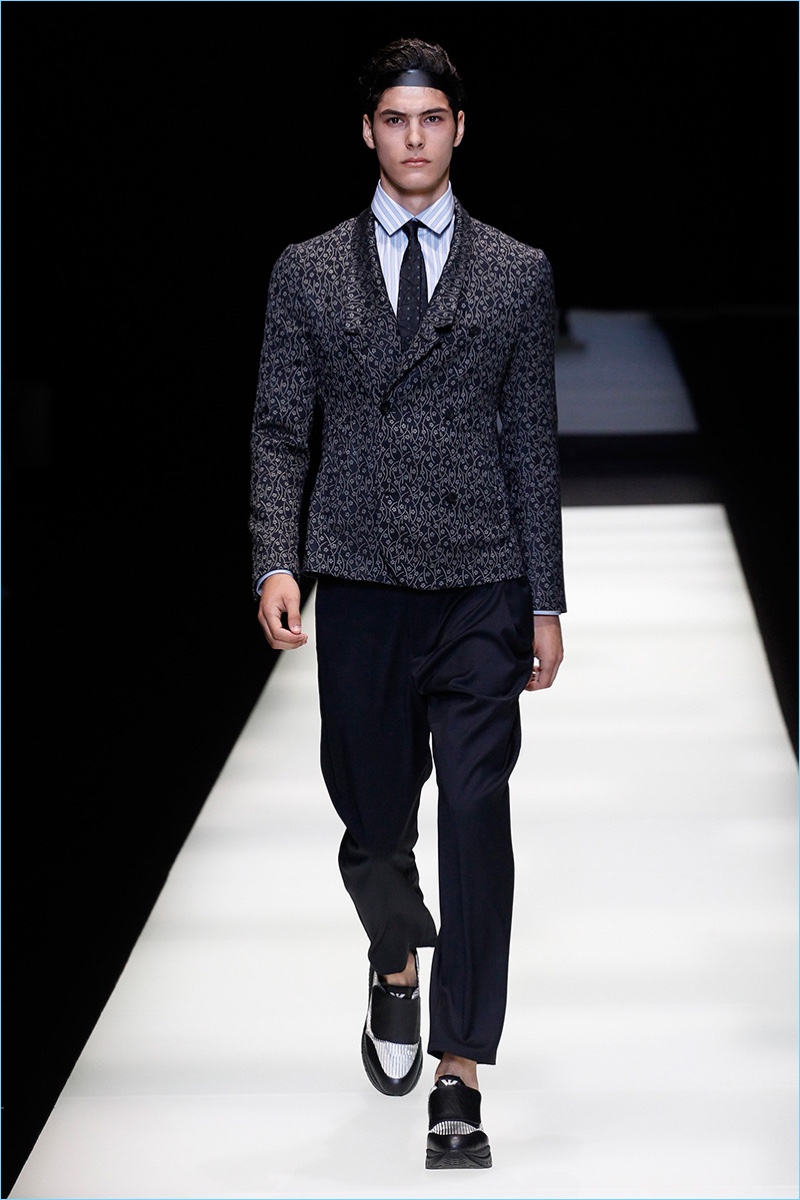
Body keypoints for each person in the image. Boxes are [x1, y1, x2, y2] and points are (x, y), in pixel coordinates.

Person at [249, 36, 566, 1170]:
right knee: (373, 818)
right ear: (368, 132)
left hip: (481, 579)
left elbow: (530, 439)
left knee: (476, 813)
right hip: (363, 582)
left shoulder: (517, 271)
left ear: (459, 129)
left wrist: (546, 598)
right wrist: (275, 561)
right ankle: (395, 958)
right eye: (395, 119)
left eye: (432, 118)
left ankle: (460, 1071)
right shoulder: (306, 271)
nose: (415, 137)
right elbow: (281, 427)